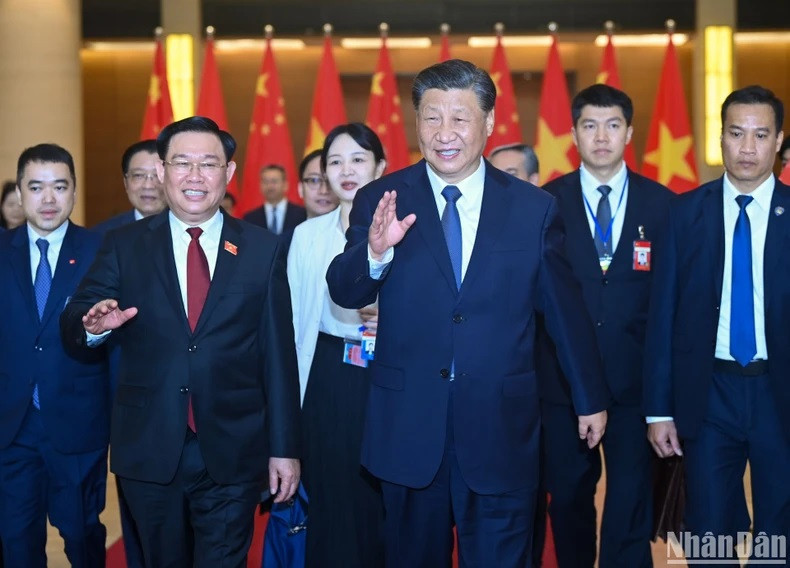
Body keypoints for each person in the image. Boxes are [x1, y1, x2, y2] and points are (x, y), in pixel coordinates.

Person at [326, 59, 609, 566]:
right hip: (409, 428)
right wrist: (375, 252)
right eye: (432, 118)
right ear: (416, 123)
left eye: (460, 118)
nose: (445, 133)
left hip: (502, 428)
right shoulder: (381, 199)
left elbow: (564, 314)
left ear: (489, 121)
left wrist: (589, 399)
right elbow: (345, 290)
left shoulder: (533, 208)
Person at [60, 116, 301, 567]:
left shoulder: (262, 248)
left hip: (233, 446)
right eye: (182, 163)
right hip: (150, 446)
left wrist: (285, 448)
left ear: (229, 173)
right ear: (161, 170)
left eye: (208, 164)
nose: (195, 176)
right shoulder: (124, 244)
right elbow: (76, 317)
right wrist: (93, 326)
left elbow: (278, 357)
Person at [645, 85, 789, 563]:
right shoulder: (683, 213)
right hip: (708, 393)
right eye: (736, 133)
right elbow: (662, 316)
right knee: (708, 529)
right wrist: (658, 410)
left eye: (761, 135)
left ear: (778, 141)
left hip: (779, 392)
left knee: (780, 531)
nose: (747, 147)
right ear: (720, 137)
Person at [539, 84, 671, 568]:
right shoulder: (545, 203)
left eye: (612, 125)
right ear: (574, 133)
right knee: (569, 499)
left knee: (631, 502)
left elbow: (670, 302)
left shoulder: (663, 205)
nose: (601, 137)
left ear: (629, 133)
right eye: (590, 126)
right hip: (564, 386)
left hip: (635, 386)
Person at [0, 144, 110, 567]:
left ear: (74, 191)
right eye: (36, 187)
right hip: (13, 428)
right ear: (20, 192)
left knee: (82, 538)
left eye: (59, 187)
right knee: (17, 543)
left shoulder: (102, 251)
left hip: (78, 423)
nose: (48, 198)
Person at [288, 123, 386, 567]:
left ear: (381, 167)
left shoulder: (407, 229)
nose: (346, 171)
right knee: (331, 497)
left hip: (387, 374)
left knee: (382, 500)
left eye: (358, 159)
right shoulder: (307, 235)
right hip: (328, 372)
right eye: (335, 162)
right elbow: (293, 322)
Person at [93, 139, 166, 232]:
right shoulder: (102, 234)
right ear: (126, 183)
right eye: (138, 175)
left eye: (157, 175)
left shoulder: (184, 230)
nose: (148, 186)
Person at [280, 149, 340, 253]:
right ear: (300, 189)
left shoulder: (356, 240)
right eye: (314, 180)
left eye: (330, 181)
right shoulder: (282, 244)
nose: (324, 191)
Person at [243, 164, 306, 234]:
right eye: (265, 182)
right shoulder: (250, 218)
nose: (270, 186)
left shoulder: (302, 215)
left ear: (285, 185)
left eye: (274, 181)